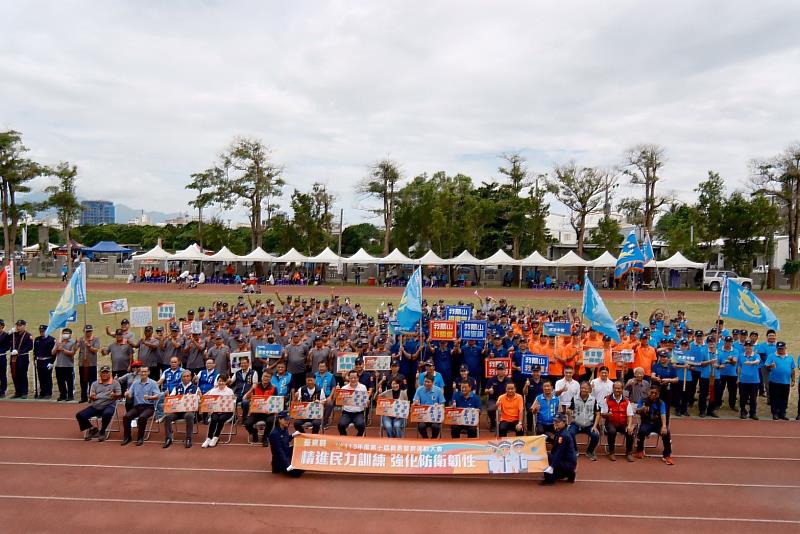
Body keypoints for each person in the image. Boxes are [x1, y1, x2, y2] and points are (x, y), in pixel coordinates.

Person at [75, 366, 121, 441]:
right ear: (100, 373)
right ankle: (92, 428)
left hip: (109, 405)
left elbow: (119, 395)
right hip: (96, 406)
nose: (105, 374)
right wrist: (92, 397)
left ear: (109, 373)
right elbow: (92, 396)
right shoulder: (95, 384)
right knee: (79, 415)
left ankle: (102, 431)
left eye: (107, 372)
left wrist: (114, 395)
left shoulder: (115, 383)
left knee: (107, 413)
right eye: (103, 372)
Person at [634, 385, 674, 465]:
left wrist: (664, 426)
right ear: (648, 392)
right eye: (652, 392)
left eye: (655, 393)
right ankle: (640, 450)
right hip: (646, 423)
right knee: (641, 431)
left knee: (666, 433)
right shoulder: (643, 401)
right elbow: (637, 411)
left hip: (657, 424)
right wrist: (641, 409)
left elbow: (663, 414)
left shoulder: (661, 403)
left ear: (658, 394)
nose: (653, 394)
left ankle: (667, 455)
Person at [121, 367, 160, 446]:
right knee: (126, 416)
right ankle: (127, 437)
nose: (143, 373)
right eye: (142, 372)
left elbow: (158, 396)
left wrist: (150, 397)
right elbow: (130, 396)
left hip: (149, 407)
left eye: (145, 372)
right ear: (139, 373)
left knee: (142, 417)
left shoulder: (153, 383)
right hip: (137, 406)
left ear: (148, 372)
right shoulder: (135, 383)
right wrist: (127, 394)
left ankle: (140, 437)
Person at [162, 369, 198, 449]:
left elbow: (197, 400)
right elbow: (171, 398)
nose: (186, 378)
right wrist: (168, 396)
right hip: (177, 411)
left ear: (190, 377)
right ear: (181, 378)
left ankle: (188, 438)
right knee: (167, 417)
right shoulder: (177, 387)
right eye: (184, 376)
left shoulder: (195, 388)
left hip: (188, 411)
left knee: (189, 416)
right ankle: (168, 438)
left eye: (188, 376)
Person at [601, 381, 635, 462]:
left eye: (619, 388)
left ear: (622, 389)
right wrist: (607, 414)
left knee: (630, 431)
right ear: (613, 389)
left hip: (623, 423)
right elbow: (602, 413)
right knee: (612, 431)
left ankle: (629, 453)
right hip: (610, 423)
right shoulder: (607, 399)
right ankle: (611, 452)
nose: (617, 390)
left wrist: (629, 426)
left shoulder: (626, 401)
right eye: (615, 388)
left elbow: (630, 415)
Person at [567, 381, 601, 461]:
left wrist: (595, 426)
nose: (584, 390)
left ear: (589, 389)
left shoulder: (593, 400)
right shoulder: (574, 398)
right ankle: (574, 450)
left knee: (595, 435)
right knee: (570, 433)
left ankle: (590, 451)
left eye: (586, 388)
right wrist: (568, 411)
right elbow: (569, 409)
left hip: (589, 424)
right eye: (582, 388)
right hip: (576, 424)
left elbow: (598, 414)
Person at [541, 414, 577, 485]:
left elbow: (559, 453)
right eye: (555, 421)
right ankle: (569, 474)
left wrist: (552, 466)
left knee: (546, 456)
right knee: (552, 457)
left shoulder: (564, 435)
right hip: (566, 461)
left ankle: (549, 480)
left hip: (567, 463)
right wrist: (547, 438)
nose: (555, 423)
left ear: (564, 423)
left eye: (558, 422)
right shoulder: (560, 431)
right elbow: (556, 443)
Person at [244, 369, 277, 446]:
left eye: (268, 377)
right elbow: (248, 398)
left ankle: (265, 438)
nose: (266, 378)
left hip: (268, 412)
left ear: (271, 378)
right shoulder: (255, 387)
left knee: (270, 421)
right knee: (247, 423)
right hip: (256, 412)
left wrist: (273, 411)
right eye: (265, 376)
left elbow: (276, 401)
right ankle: (254, 433)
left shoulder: (274, 388)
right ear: (262, 376)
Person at [201, 374, 235, 448]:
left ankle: (216, 437)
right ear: (217, 382)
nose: (221, 383)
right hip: (216, 411)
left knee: (221, 419)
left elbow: (232, 402)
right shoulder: (213, 391)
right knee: (214, 419)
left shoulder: (229, 391)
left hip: (227, 412)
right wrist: (209, 410)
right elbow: (207, 399)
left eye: (223, 381)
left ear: (226, 382)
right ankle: (209, 438)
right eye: (219, 381)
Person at [765, 341, 796, 420]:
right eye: (779, 348)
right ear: (776, 348)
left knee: (784, 398)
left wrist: (793, 380)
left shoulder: (790, 357)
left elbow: (792, 369)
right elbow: (767, 368)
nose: (780, 350)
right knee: (774, 398)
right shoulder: (771, 356)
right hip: (774, 382)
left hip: (785, 382)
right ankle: (775, 413)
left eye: (782, 348)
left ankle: (782, 413)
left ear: (785, 348)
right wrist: (770, 366)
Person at [268, 411, 304, 477]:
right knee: (297, 473)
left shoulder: (285, 428)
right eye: (285, 419)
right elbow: (279, 451)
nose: (288, 421)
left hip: (286, 452)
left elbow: (286, 439)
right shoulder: (274, 434)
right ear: (279, 420)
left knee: (300, 450)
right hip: (280, 459)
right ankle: (278, 467)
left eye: (288, 419)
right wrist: (287, 464)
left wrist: (292, 436)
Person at [333, 370, 368, 436]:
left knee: (361, 425)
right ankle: (345, 438)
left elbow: (366, 401)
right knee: (341, 425)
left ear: (358, 378)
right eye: (351, 378)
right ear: (348, 378)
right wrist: (337, 393)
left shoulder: (363, 387)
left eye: (355, 378)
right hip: (347, 412)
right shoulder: (344, 388)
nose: (353, 379)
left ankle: (358, 438)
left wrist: (366, 401)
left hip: (358, 412)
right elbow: (338, 401)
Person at [413, 374, 445, 438]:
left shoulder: (438, 390)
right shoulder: (419, 390)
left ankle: (433, 439)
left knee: (435, 427)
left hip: (435, 417)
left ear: (433, 382)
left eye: (428, 382)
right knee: (421, 426)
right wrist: (416, 403)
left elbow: (443, 404)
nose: (426, 383)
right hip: (423, 417)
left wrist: (439, 405)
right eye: (425, 381)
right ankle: (425, 438)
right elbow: (414, 403)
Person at [7, 320, 32, 398]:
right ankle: (17, 392)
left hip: (23, 357)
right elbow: (7, 340)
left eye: (20, 325)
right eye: (17, 325)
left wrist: (19, 352)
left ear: (24, 326)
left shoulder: (28, 335)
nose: (18, 327)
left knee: (22, 374)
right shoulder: (13, 334)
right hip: (13, 357)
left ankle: (24, 392)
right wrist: (9, 333)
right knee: (14, 374)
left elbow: (30, 347)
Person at [76, 325, 100, 403]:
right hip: (82, 364)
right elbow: (75, 348)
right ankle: (83, 397)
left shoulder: (96, 339)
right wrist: (76, 343)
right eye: (87, 331)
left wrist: (89, 346)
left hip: (92, 364)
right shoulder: (81, 339)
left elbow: (96, 350)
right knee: (83, 381)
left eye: (89, 331)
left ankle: (91, 396)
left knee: (92, 381)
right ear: (84, 332)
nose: (88, 333)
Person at [53, 327, 78, 402]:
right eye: (64, 333)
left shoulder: (73, 342)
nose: (65, 335)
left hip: (68, 365)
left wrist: (63, 349)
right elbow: (53, 352)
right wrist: (57, 347)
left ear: (70, 334)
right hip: (59, 365)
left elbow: (72, 353)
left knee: (69, 382)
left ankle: (70, 395)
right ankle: (63, 395)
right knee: (60, 381)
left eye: (67, 333)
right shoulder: (59, 342)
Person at [738, 341, 761, 419]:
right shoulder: (741, 356)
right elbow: (739, 367)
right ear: (744, 347)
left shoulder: (756, 355)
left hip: (754, 381)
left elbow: (758, 362)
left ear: (752, 347)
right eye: (746, 346)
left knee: (753, 398)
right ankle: (743, 411)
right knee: (743, 398)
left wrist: (751, 362)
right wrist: (738, 378)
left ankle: (753, 413)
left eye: (750, 346)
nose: (748, 347)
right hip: (743, 380)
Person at [485, 363, 512, 432]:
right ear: (497, 371)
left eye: (502, 370)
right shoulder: (491, 379)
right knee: (490, 409)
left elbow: (513, 390)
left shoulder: (508, 380)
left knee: (511, 408)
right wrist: (489, 391)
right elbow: (485, 390)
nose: (501, 371)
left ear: (505, 371)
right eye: (499, 370)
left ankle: (508, 425)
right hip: (493, 400)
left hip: (506, 400)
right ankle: (493, 424)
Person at [33, 325, 56, 399]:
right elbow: (35, 350)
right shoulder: (37, 339)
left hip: (47, 360)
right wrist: (35, 359)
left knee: (47, 377)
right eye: (40, 331)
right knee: (41, 377)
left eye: (43, 331)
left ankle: (48, 393)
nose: (41, 332)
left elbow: (54, 353)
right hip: (39, 361)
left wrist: (52, 362)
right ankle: (42, 392)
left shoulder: (51, 340)